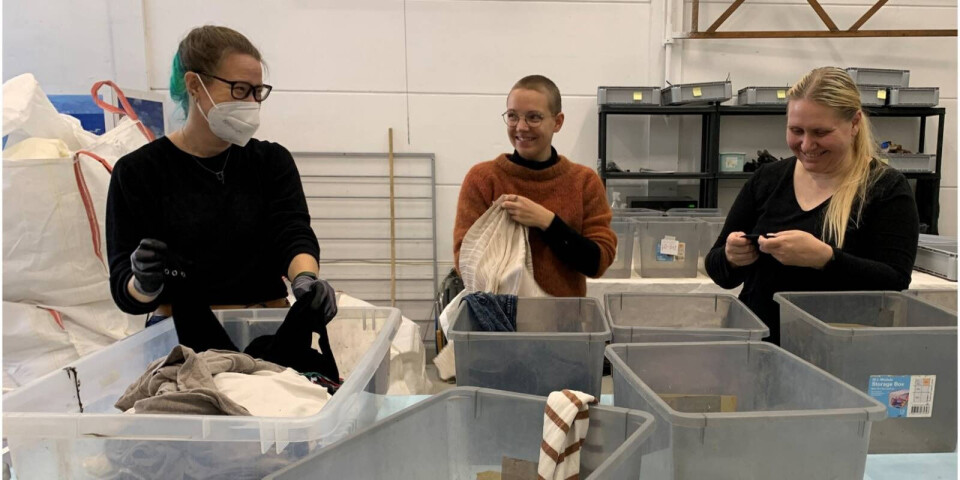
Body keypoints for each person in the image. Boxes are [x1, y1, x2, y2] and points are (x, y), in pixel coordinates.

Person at [106, 26, 337, 328]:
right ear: (194, 85)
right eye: (240, 89)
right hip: (182, 338)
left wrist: (306, 280)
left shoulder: (270, 162)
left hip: (267, 327)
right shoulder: (138, 172)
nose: (251, 103)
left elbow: (291, 231)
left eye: (257, 92)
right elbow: (125, 289)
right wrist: (144, 283)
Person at [705, 66, 919, 344]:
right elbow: (719, 270)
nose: (807, 144)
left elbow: (894, 282)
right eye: (796, 130)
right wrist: (732, 257)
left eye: (820, 132)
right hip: (760, 345)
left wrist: (825, 259)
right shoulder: (767, 180)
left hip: (839, 347)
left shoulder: (885, 189)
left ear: (854, 123)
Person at [453, 75, 617, 297]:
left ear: (557, 122)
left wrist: (547, 222)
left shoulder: (584, 182)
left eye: (534, 117)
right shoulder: (483, 179)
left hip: (562, 323)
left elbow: (597, 263)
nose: (521, 127)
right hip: (499, 323)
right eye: (512, 116)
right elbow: (466, 262)